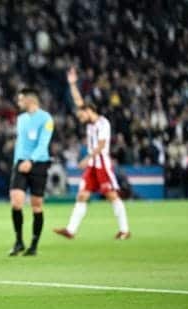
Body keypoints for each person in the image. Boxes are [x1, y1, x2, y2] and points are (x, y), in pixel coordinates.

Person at [54, 67, 131, 240]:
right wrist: (72, 84)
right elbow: (78, 100)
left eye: (81, 114)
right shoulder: (90, 123)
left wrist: (87, 158)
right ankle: (70, 230)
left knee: (112, 195)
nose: (79, 117)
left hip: (102, 163)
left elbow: (102, 144)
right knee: (82, 195)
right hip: (92, 165)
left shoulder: (103, 123)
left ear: (89, 111)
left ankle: (125, 230)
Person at [8, 88, 54, 256]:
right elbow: (20, 143)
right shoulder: (21, 119)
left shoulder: (46, 118)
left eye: (21, 100)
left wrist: (31, 161)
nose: (19, 103)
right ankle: (19, 241)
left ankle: (34, 244)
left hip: (39, 163)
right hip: (20, 164)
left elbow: (43, 144)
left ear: (30, 100)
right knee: (16, 202)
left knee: (36, 205)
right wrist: (17, 162)